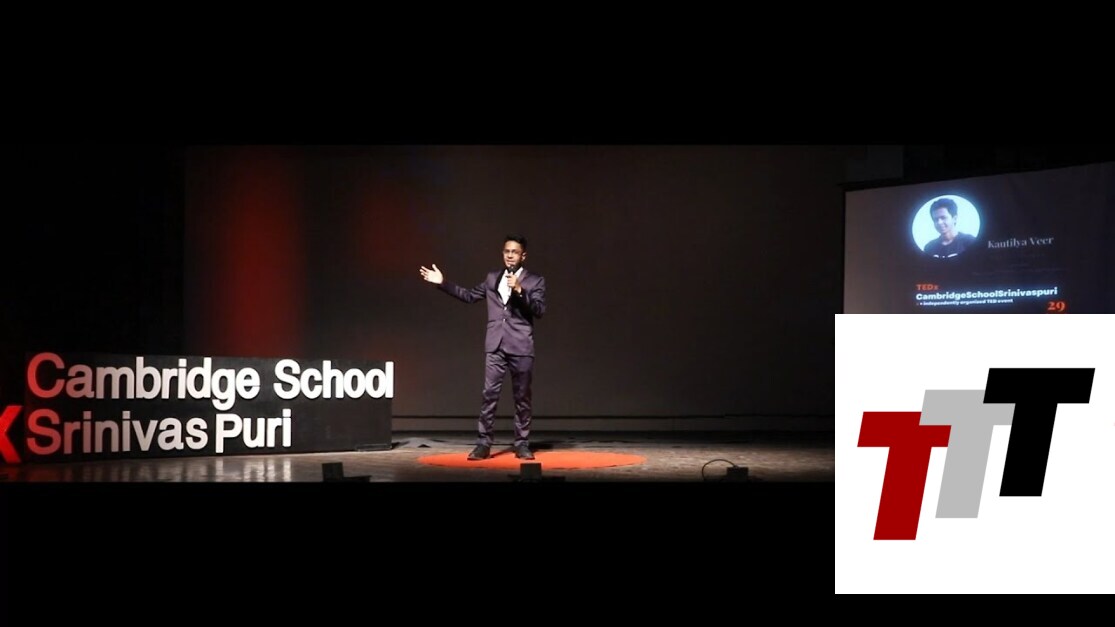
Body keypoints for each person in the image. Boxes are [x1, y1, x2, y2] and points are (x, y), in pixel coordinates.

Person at [419, 235, 547, 460]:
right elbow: (469, 296)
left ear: (523, 256)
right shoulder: (492, 278)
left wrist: (519, 290)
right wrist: (442, 282)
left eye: (515, 252)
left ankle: (522, 444)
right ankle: (483, 444)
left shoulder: (535, 281)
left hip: (521, 346)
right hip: (495, 345)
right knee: (489, 395)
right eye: (507, 251)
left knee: (522, 398)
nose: (510, 255)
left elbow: (539, 310)